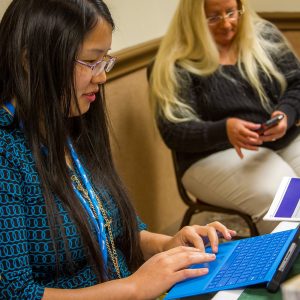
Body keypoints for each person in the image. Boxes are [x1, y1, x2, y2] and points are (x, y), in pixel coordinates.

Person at [0, 0, 237, 299]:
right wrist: (134, 288)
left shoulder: (75, 122)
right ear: (30, 60)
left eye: (105, 61)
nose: (102, 76)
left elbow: (120, 233)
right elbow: (15, 293)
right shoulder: (6, 153)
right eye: (90, 62)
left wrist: (167, 245)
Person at [149, 0, 300, 235]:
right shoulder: (175, 64)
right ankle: (286, 265)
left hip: (281, 140)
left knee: (291, 190)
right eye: (213, 17)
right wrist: (224, 130)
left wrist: (286, 114)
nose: (227, 23)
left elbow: (296, 84)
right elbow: (174, 132)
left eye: (231, 12)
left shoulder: (265, 37)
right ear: (193, 20)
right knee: (286, 198)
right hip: (211, 155)